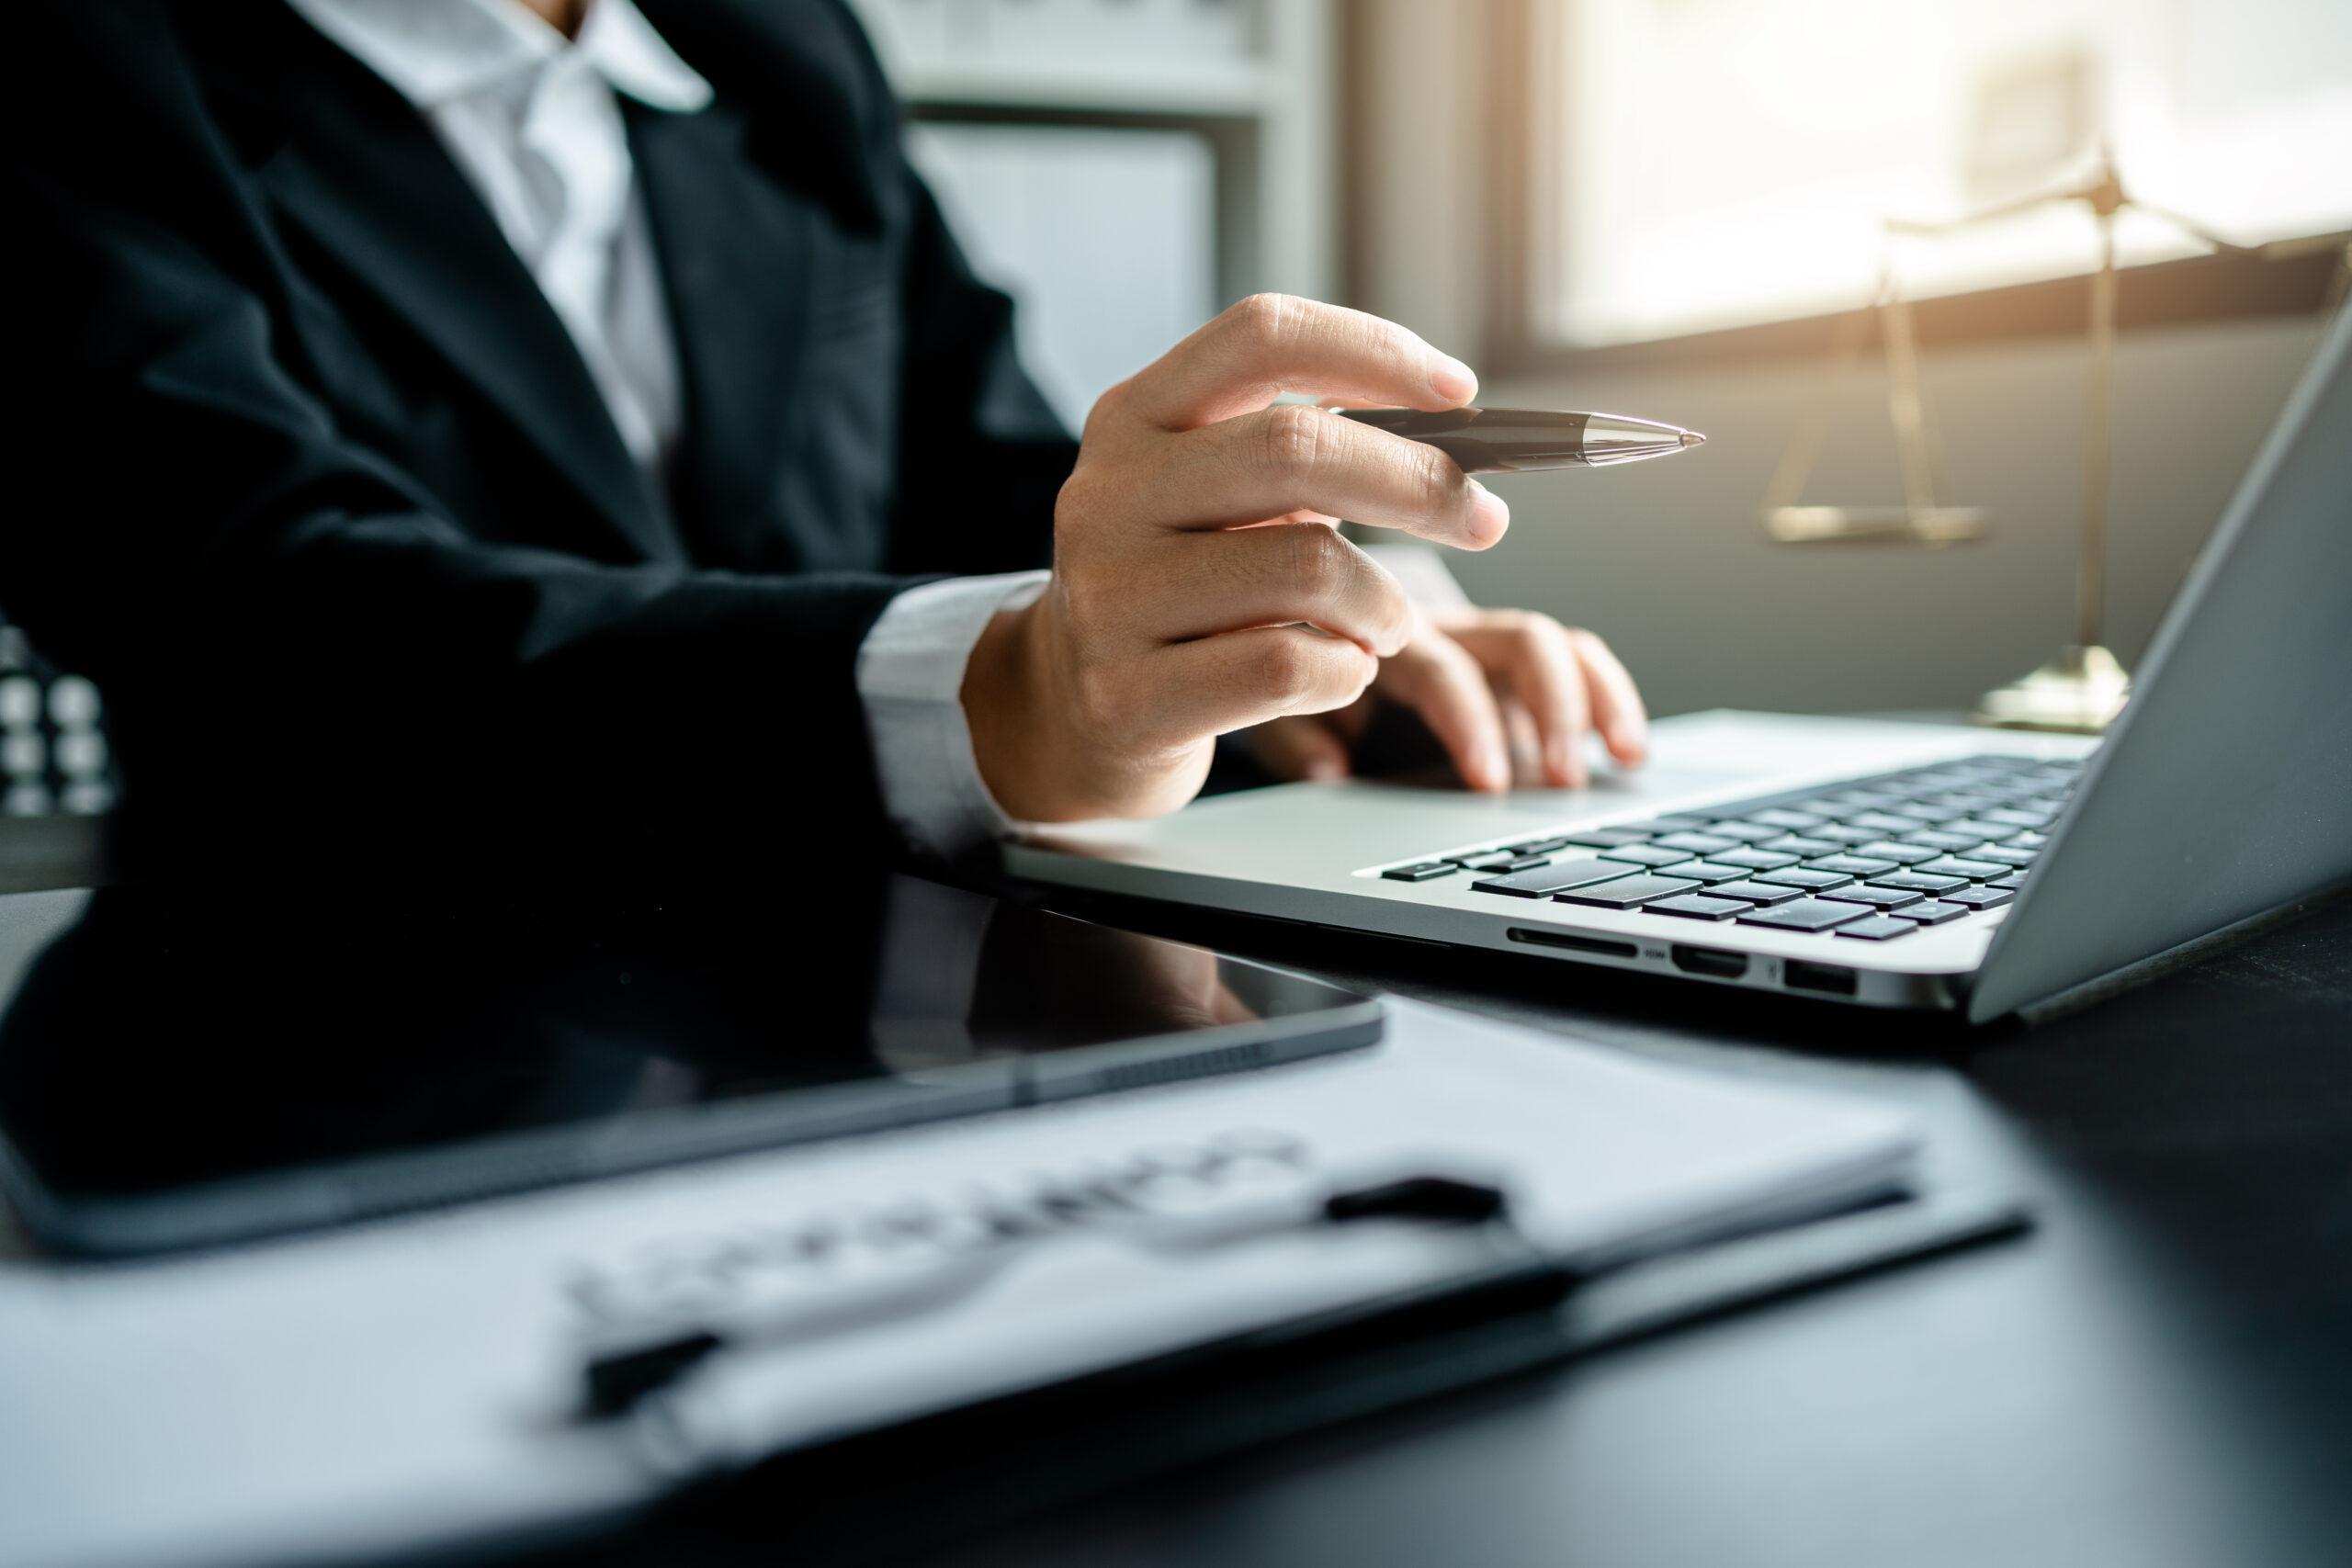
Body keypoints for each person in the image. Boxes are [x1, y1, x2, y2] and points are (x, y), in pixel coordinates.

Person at [5, 0, 1646, 881]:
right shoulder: (85, 63)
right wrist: (1001, 693)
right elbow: (257, 610)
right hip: (340, 1017)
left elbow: (994, 463)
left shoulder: (775, 46)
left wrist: (1255, 625)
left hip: (907, 967)